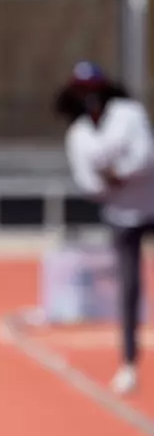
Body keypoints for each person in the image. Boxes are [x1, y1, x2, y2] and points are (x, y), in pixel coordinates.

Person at [56, 61, 154, 396]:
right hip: (121, 217)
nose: (90, 98)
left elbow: (144, 157)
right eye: (83, 92)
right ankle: (128, 364)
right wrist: (109, 183)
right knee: (128, 289)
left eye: (94, 90)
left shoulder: (129, 114)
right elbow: (87, 183)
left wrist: (119, 174)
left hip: (152, 204)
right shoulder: (78, 135)